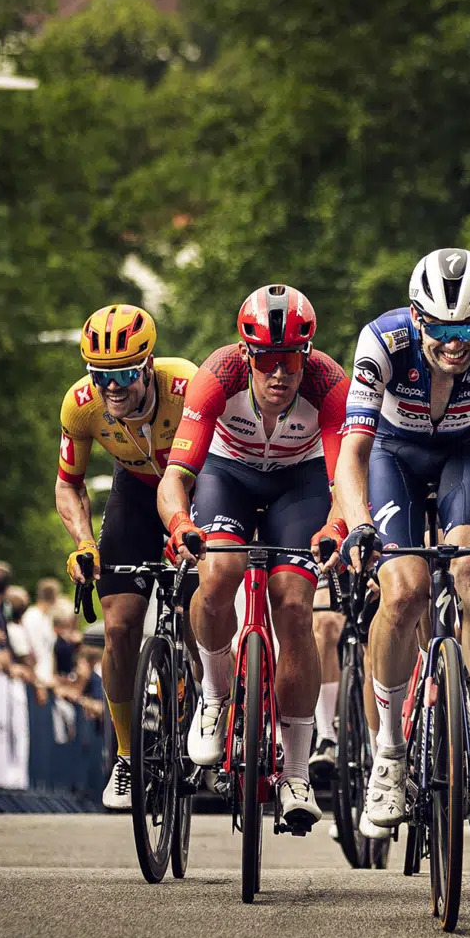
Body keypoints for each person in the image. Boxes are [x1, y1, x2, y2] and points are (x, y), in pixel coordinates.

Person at [334, 247, 470, 832]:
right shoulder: (382, 342)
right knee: (402, 592)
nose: (456, 344)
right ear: (416, 317)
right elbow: (352, 452)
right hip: (393, 453)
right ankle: (389, 757)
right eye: (441, 330)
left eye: (468, 328)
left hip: (467, 447)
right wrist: (358, 527)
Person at [157, 284, 348, 828]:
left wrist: (336, 527)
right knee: (218, 572)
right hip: (229, 476)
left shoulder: (330, 385)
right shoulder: (215, 375)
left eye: (289, 361)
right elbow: (176, 478)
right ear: (247, 356)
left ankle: (295, 773)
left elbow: (346, 481)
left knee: (294, 604)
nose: (279, 375)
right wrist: (180, 525)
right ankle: (215, 697)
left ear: (305, 357)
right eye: (266, 361)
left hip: (300, 482)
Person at [53, 304, 198, 809]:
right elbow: (68, 485)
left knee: (202, 609)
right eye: (100, 375)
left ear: (150, 364)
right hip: (134, 495)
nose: (111, 387)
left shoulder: (186, 385)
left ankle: (214, 709)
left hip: (196, 491)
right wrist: (84, 544)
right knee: (118, 627)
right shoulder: (80, 405)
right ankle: (127, 755)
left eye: (125, 374)